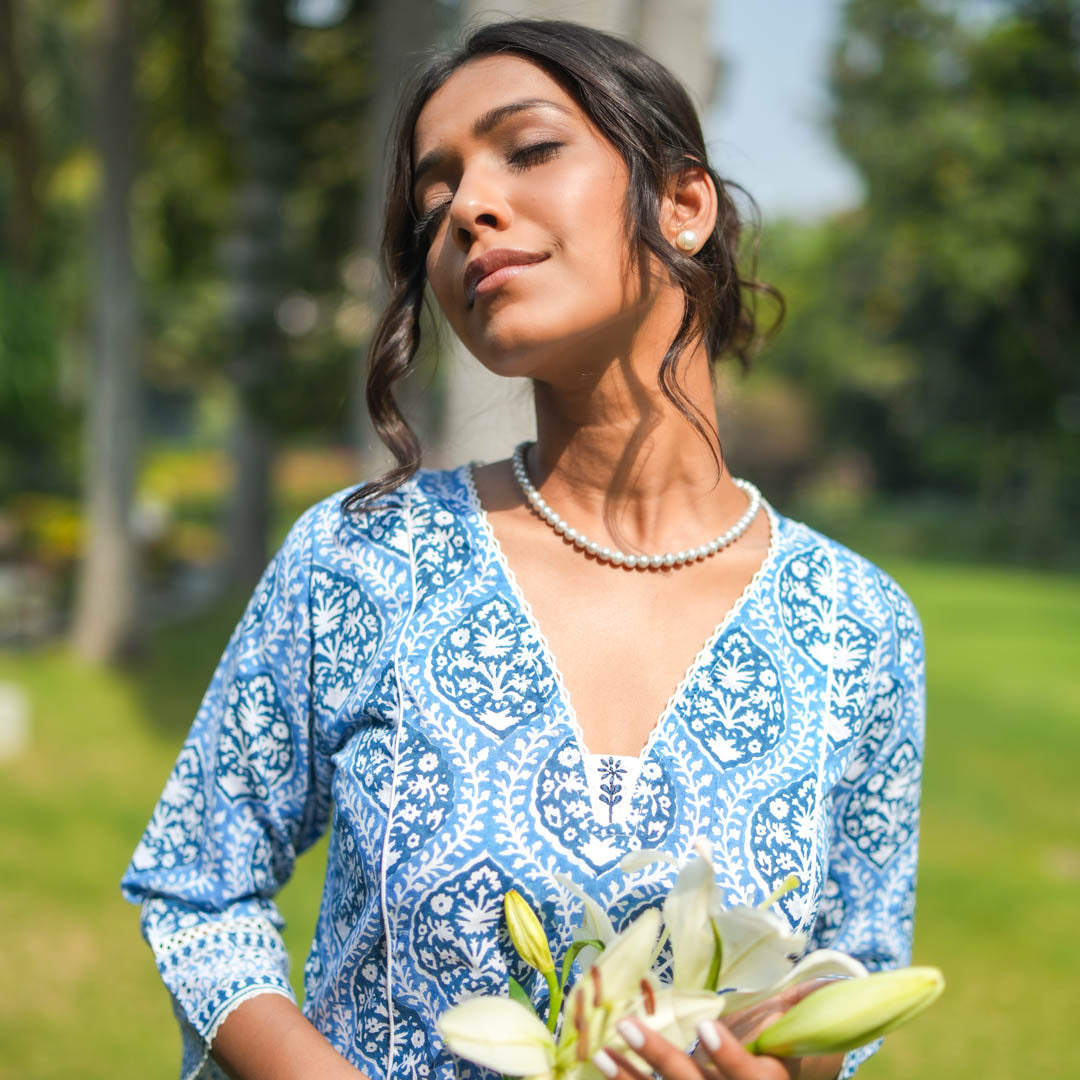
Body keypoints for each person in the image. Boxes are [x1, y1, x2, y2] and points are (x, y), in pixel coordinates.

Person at [121, 19, 925, 1080]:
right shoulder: (362, 562)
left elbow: (853, 978)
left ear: (685, 204)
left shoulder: (858, 626)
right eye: (434, 201)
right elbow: (196, 885)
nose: (467, 211)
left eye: (529, 149)